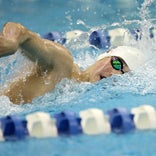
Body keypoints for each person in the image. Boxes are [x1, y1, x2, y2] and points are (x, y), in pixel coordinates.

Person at [0, 22, 145, 104]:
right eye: (118, 64)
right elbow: (21, 31)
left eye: (122, 74)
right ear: (105, 55)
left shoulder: (77, 95)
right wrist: (11, 42)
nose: (114, 74)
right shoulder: (63, 63)